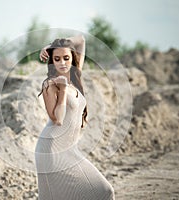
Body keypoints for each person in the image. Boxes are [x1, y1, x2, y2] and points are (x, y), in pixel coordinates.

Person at [35, 35, 115, 200]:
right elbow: (58, 119)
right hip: (51, 149)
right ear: (52, 62)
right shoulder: (50, 84)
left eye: (66, 57)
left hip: (70, 149)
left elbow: (81, 40)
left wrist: (50, 46)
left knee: (104, 191)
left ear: (72, 58)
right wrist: (63, 90)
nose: (62, 62)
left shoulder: (75, 77)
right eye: (57, 59)